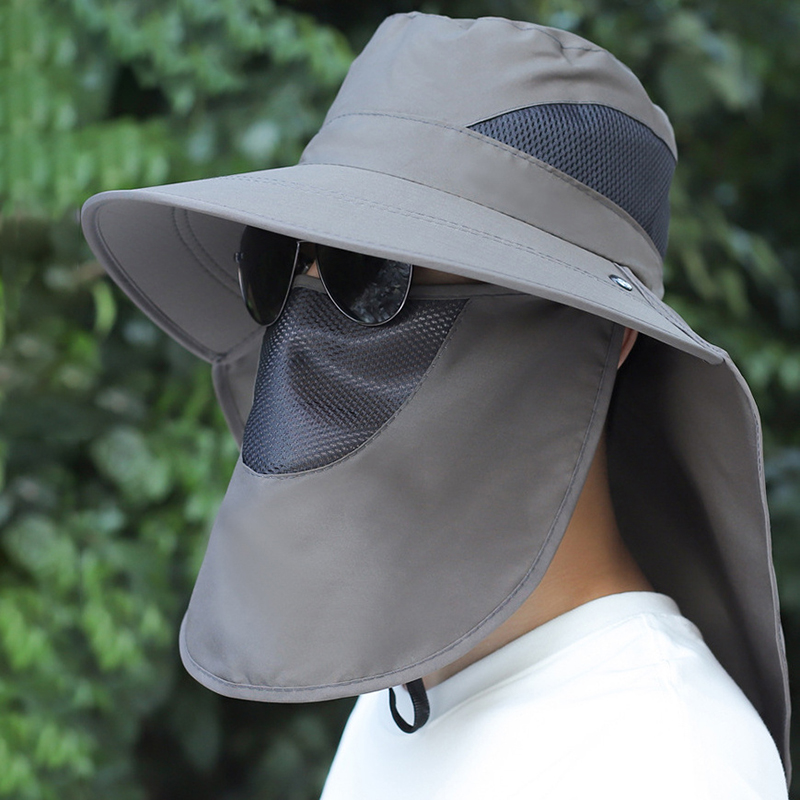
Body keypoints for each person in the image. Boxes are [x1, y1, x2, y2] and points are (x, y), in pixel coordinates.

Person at [81, 11, 791, 798]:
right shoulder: (408, 685)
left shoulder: (666, 758)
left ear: (605, 334)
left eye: (373, 272)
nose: (306, 329)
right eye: (284, 259)